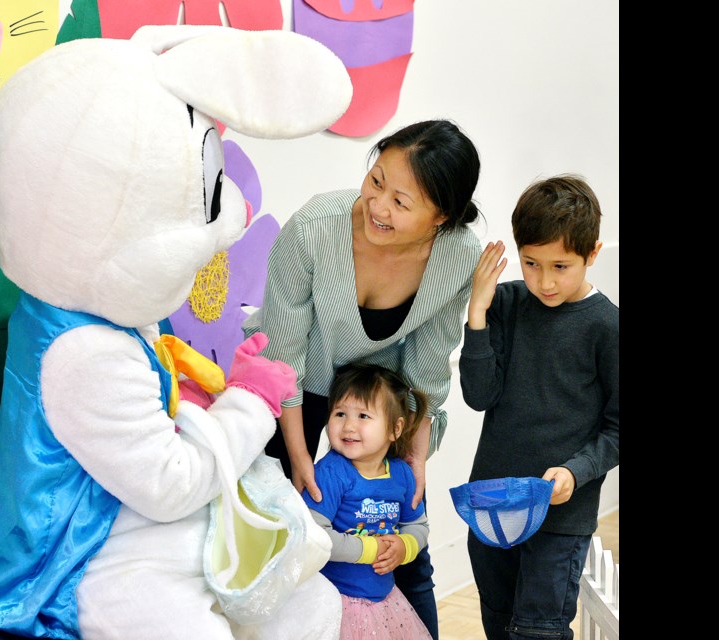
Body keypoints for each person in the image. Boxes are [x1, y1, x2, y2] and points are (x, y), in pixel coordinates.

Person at [242, 119, 483, 637]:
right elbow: (285, 358)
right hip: (295, 390)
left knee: (404, 551)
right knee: (287, 540)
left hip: (381, 403)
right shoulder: (314, 227)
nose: (378, 207)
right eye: (376, 183)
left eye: (402, 201)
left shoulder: (457, 255)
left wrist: (415, 459)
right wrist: (300, 456)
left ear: (441, 216)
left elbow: (427, 367)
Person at [458, 174, 619, 640]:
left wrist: (576, 471)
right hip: (491, 505)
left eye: (560, 266)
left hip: (561, 516)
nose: (544, 281)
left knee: (538, 632)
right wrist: (478, 314)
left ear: (592, 254)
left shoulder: (606, 327)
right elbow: (478, 395)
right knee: (499, 623)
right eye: (530, 263)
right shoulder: (505, 304)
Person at [302, 362, 433, 640]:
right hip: (335, 601)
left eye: (363, 415)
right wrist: (369, 549)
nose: (348, 426)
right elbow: (313, 536)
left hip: (384, 601)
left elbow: (419, 526)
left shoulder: (401, 474)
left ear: (395, 429)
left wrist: (403, 546)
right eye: (340, 413)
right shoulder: (330, 473)